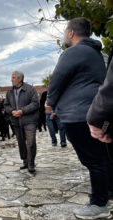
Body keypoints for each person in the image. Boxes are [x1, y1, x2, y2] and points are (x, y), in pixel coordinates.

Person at [46, 18, 112, 219]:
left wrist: (49, 102)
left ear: (71, 33)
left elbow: (57, 78)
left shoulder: (73, 52)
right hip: (100, 113)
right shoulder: (98, 53)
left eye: (65, 31)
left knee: (94, 160)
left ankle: (99, 204)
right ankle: (106, 192)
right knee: (103, 156)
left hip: (80, 116)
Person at [4, 71, 39, 173]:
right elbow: (6, 105)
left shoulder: (30, 89)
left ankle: (31, 163)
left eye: (14, 77)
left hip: (30, 120)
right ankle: (25, 161)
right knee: (21, 143)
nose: (11, 79)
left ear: (20, 79)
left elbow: (36, 103)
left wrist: (22, 111)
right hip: (16, 121)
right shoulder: (9, 92)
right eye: (12, 77)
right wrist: (12, 111)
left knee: (31, 142)